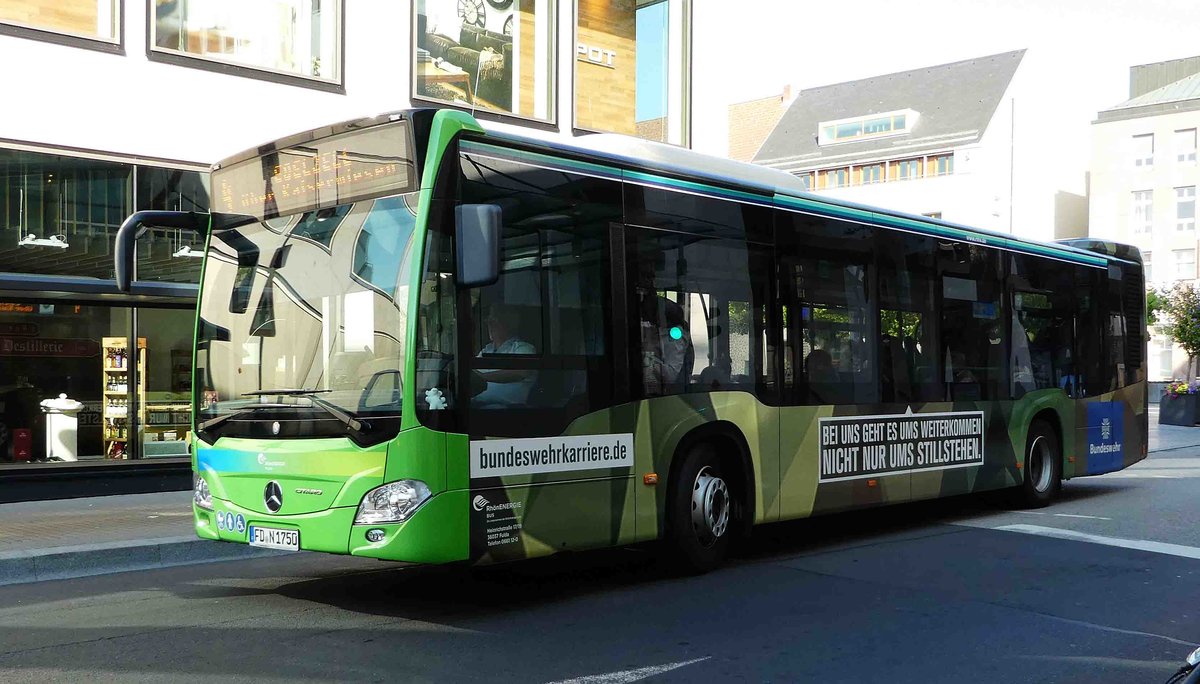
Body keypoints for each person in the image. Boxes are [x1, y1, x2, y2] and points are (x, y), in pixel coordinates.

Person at [473, 304, 536, 407]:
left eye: (493, 322)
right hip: (475, 405)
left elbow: (521, 372)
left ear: (508, 324)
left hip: (506, 409)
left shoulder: (523, 348)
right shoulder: (486, 350)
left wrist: (482, 377)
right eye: (488, 322)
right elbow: (473, 373)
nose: (490, 326)